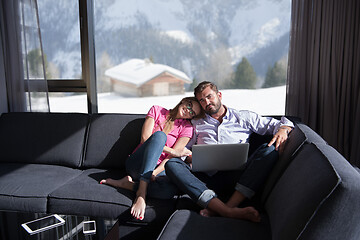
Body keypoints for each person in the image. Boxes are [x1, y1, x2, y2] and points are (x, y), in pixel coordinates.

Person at [165, 81, 294, 222]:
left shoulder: (243, 117)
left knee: (269, 150)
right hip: (206, 180)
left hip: (238, 178)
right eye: (202, 100)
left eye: (209, 96)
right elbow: (184, 150)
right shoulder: (196, 123)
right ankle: (226, 211)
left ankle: (229, 206)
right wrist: (191, 157)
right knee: (172, 164)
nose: (207, 102)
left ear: (219, 95)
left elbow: (280, 124)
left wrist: (284, 129)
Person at [100, 97, 205, 221]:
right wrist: (172, 151)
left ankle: (129, 185)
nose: (188, 111)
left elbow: (171, 158)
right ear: (183, 101)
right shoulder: (157, 110)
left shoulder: (187, 128)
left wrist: (153, 173)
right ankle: (142, 193)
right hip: (137, 164)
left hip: (158, 170)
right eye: (189, 105)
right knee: (159, 136)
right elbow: (145, 139)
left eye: (192, 113)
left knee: (169, 191)